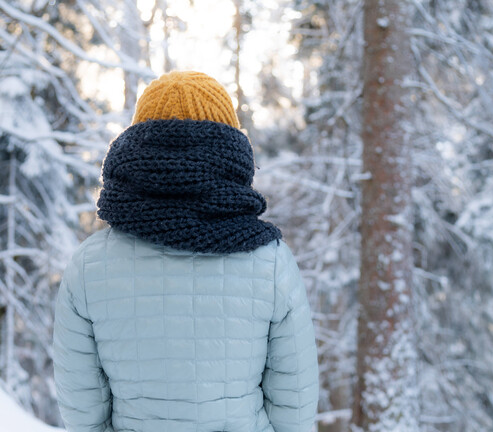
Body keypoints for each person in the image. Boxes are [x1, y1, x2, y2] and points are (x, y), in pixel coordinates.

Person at [52, 71, 318, 432]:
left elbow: (82, 409)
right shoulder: (270, 261)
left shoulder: (89, 265)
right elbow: (295, 404)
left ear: (136, 144)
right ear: (232, 150)